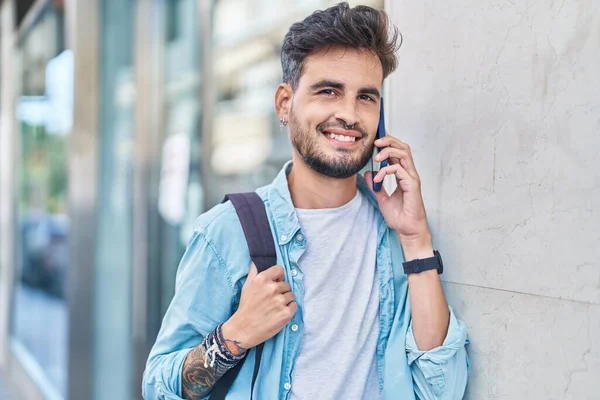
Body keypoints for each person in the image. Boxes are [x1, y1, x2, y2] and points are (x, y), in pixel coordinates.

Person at [143, 3, 469, 400]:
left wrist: (417, 240)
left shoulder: (394, 235)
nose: (348, 114)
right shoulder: (226, 232)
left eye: (366, 97)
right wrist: (234, 336)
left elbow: (442, 391)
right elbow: (158, 386)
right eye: (328, 91)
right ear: (285, 103)